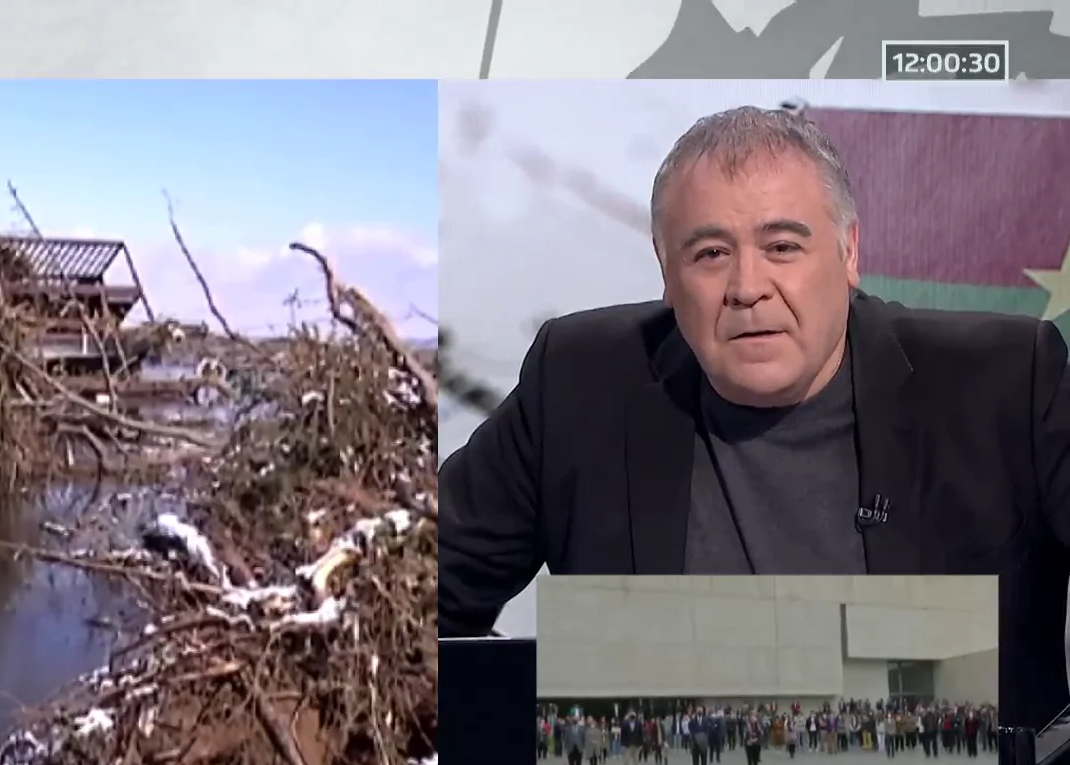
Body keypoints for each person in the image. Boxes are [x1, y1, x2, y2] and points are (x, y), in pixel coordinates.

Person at [437, 104, 1070, 732]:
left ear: (849, 253)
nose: (748, 285)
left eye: (782, 246)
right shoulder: (581, 383)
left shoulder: (1006, 384)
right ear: (667, 272)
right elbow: (417, 599)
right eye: (711, 253)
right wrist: (516, 734)